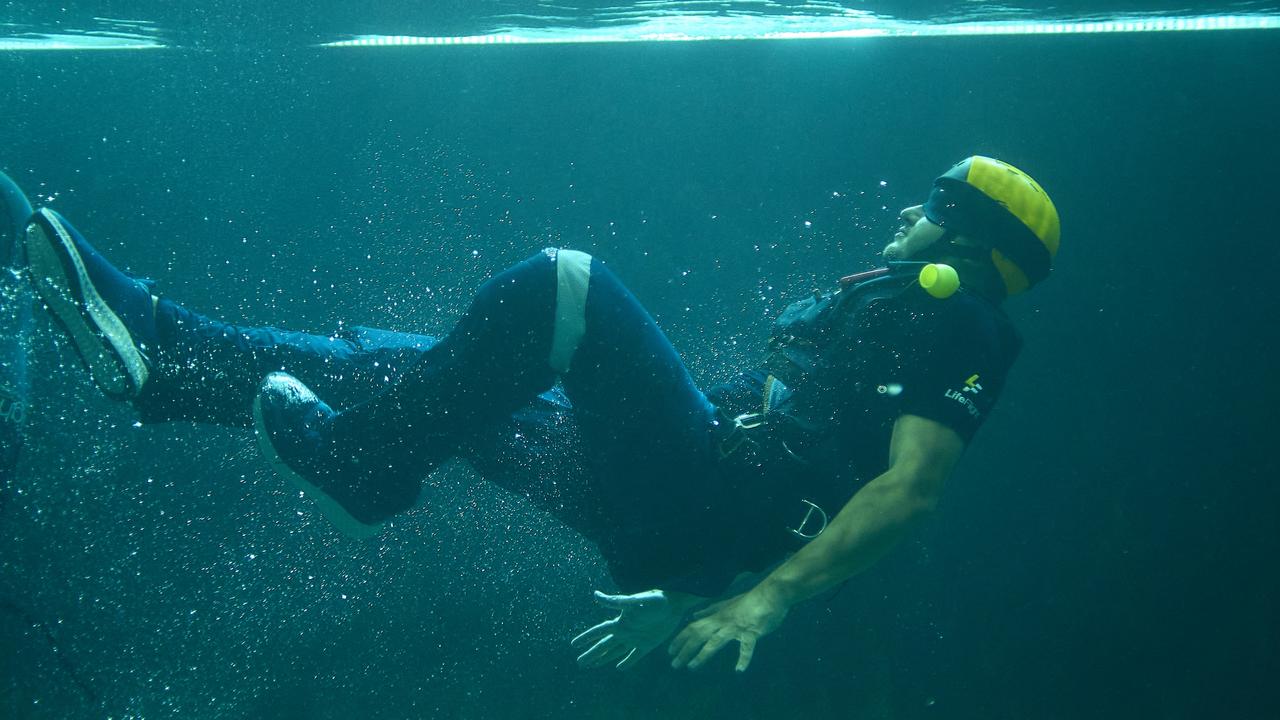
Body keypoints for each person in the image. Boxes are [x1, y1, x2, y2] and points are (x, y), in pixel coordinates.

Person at [7, 156, 1059, 672]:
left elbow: (909, 489)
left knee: (566, 287)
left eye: (927, 206)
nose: (901, 215)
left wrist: (762, 602)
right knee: (429, 375)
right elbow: (810, 469)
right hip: (680, 514)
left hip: (701, 495)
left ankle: (358, 469)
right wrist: (695, 579)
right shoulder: (905, 315)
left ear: (965, 235)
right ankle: (166, 357)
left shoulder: (955, 315)